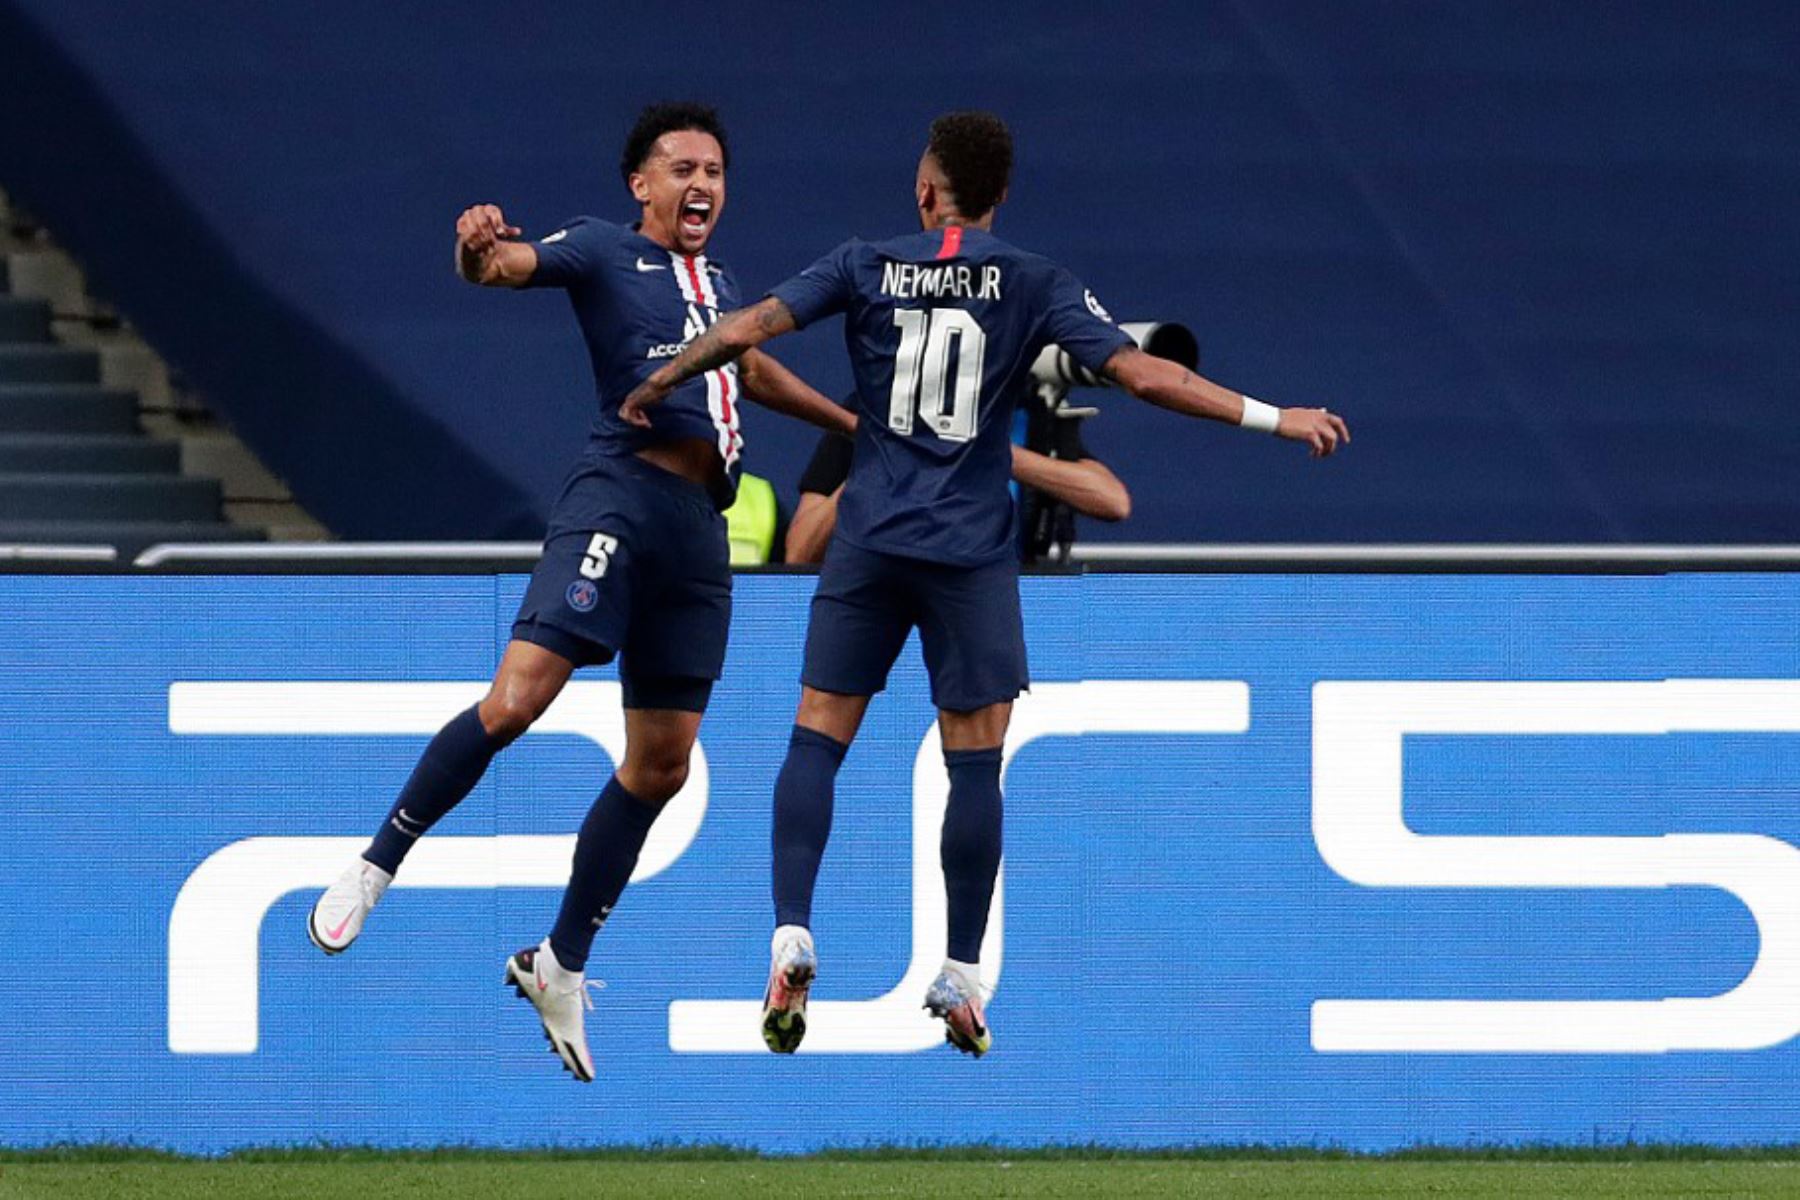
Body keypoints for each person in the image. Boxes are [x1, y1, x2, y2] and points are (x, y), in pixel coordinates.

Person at [620, 111, 1347, 1059]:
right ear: (998, 199)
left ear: (926, 192)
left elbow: (750, 327)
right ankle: (960, 971)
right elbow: (1144, 376)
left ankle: (791, 929)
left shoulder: (863, 262)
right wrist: (1273, 416)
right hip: (969, 556)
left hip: (871, 539)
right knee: (974, 762)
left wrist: (661, 376)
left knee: (816, 739)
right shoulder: (1033, 278)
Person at [307, 102, 852, 1084]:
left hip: (700, 532)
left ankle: (557, 962)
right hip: (623, 492)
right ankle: (378, 861)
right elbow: (509, 267)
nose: (702, 185)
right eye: (682, 168)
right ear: (640, 185)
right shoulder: (605, 250)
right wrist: (478, 250)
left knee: (661, 767)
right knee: (518, 699)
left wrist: (852, 422)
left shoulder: (720, 283)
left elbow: (754, 368)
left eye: (716, 171)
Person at [786, 417, 1129, 565]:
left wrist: (981, 451)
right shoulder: (871, 405)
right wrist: (882, 457)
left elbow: (1112, 501)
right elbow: (801, 552)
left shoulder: (1030, 412)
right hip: (886, 603)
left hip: (997, 604)